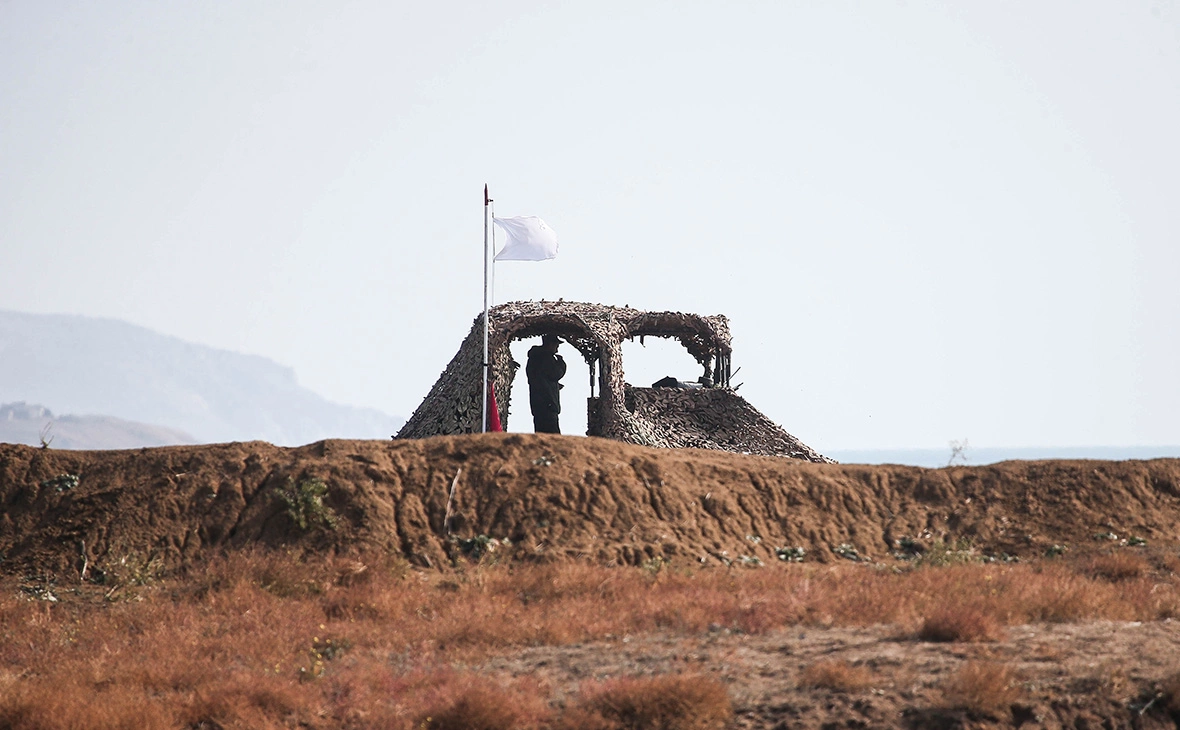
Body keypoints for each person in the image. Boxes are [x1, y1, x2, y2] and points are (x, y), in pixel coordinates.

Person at [526, 334, 566, 434]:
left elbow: (540, 378)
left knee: (540, 434)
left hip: (537, 403)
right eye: (556, 346)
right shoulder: (545, 358)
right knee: (553, 437)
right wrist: (561, 362)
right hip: (548, 404)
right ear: (550, 344)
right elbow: (556, 373)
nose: (557, 350)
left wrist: (554, 386)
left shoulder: (534, 358)